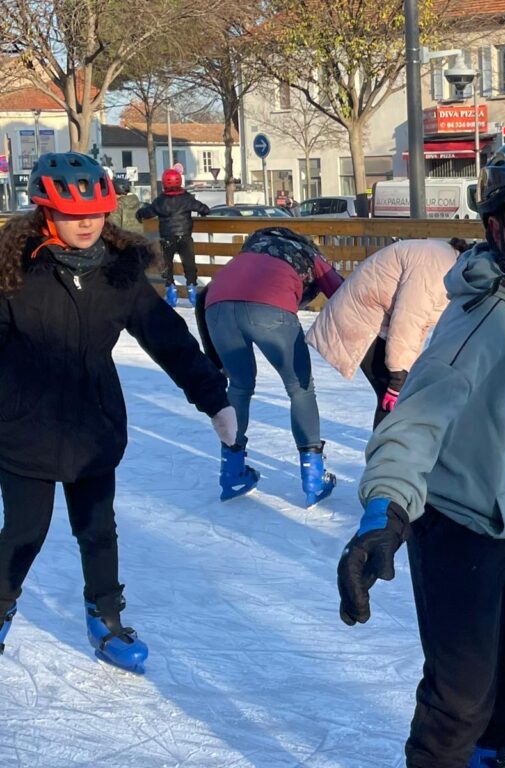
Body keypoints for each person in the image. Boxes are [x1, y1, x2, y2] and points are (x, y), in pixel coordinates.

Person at [335, 133, 505, 768]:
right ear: (498, 229)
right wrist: (384, 516)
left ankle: (491, 757)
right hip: (459, 527)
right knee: (460, 693)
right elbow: (412, 425)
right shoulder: (476, 330)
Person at [0, 152, 235, 672]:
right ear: (44, 212)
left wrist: (212, 397)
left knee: (98, 528)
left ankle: (105, 614)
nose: (86, 223)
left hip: (93, 428)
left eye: (97, 212)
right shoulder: (12, 272)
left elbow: (168, 339)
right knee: (23, 531)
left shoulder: (120, 274)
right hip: (23, 428)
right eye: (71, 213)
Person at [198, 227, 343, 506]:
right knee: (299, 388)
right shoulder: (309, 254)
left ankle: (232, 472)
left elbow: (207, 294)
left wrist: (215, 361)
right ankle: (313, 477)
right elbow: (342, 292)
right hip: (271, 308)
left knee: (239, 386)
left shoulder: (250, 250)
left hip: (216, 306)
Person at [305, 237, 471, 428]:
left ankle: (395, 452)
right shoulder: (436, 269)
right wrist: (398, 377)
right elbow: (408, 319)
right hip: (361, 319)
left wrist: (409, 368)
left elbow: (419, 325)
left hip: (379, 320)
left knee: (402, 395)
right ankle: (385, 456)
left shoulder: (447, 263)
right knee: (393, 397)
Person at [136, 168, 210, 308]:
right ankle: (192, 292)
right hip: (185, 236)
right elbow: (204, 209)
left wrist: (139, 214)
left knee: (167, 265)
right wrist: (204, 212)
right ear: (180, 182)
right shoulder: (187, 198)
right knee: (189, 265)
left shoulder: (160, 201)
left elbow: (147, 212)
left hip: (167, 237)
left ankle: (171, 292)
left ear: (164, 183)